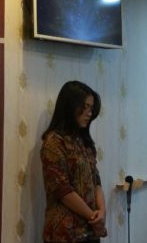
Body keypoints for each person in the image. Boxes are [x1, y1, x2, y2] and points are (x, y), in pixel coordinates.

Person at [41, 80, 107, 242]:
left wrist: (102, 211)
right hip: (65, 234)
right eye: (85, 107)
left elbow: (96, 180)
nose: (89, 113)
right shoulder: (54, 142)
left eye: (91, 108)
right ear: (70, 106)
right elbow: (62, 190)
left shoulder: (84, 142)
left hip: (90, 230)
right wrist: (94, 217)